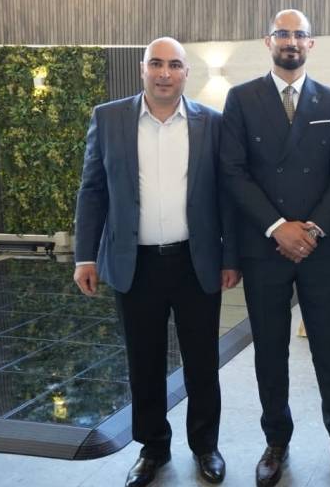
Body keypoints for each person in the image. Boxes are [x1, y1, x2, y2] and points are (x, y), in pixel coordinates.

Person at [74, 37, 239, 487]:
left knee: (202, 362)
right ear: (142, 68)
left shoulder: (212, 123)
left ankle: (205, 446)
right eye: (156, 64)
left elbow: (226, 196)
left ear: (186, 72)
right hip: (135, 264)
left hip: (195, 262)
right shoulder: (108, 118)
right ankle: (153, 448)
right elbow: (93, 190)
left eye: (174, 65)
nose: (165, 73)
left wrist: (230, 256)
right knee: (143, 362)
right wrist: (85, 255)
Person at [220, 9, 330, 486]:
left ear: (311, 43)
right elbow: (233, 172)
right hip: (264, 246)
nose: (291, 41)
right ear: (268, 41)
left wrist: (313, 230)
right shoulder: (241, 99)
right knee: (269, 352)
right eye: (282, 33)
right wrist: (277, 227)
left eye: (299, 34)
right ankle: (276, 441)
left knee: (329, 350)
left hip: (320, 248)